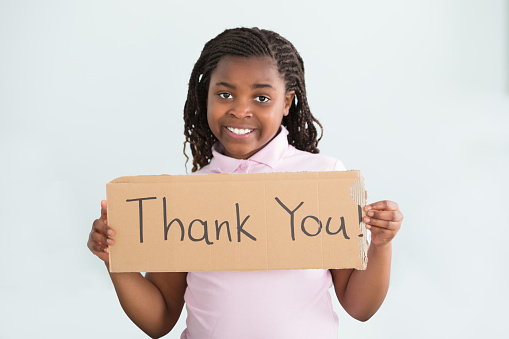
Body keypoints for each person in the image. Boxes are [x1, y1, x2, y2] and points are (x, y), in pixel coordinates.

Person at [87, 27, 404, 339]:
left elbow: (360, 306)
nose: (240, 110)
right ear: (206, 96)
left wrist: (380, 245)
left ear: (286, 102)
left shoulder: (324, 178)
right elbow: (159, 320)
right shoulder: (186, 198)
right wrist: (118, 260)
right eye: (225, 94)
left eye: (262, 97)